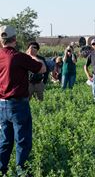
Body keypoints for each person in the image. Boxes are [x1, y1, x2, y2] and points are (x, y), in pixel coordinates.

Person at [0, 25, 46, 176]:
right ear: (15, 39)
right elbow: (42, 69)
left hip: (2, 104)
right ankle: (21, 169)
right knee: (22, 139)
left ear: (2, 39)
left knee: (5, 139)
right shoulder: (19, 56)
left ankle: (2, 169)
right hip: (18, 104)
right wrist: (32, 55)